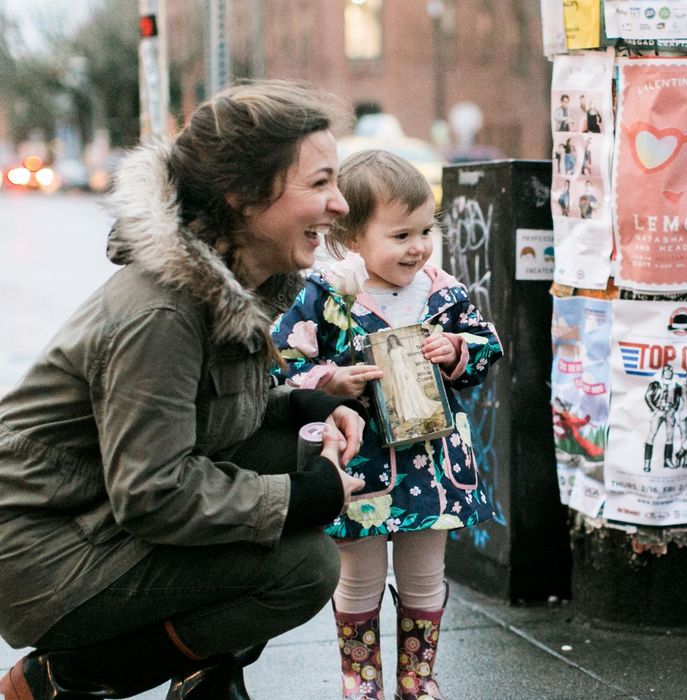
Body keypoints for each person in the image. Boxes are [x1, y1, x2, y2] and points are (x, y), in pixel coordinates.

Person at [0, 81, 369, 699]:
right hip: (40, 557)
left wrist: (305, 405)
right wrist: (301, 498)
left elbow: (204, 416)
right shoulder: (164, 313)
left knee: (292, 451)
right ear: (242, 196)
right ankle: (63, 680)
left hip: (94, 520)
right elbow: (153, 492)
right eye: (320, 183)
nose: (340, 203)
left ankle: (206, 680)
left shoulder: (232, 282)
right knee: (304, 568)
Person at [270, 149, 503, 700]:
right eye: (400, 235)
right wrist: (330, 381)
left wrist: (458, 349)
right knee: (359, 576)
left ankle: (417, 680)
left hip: (433, 465)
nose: (417, 247)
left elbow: (486, 344)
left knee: (425, 573)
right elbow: (284, 361)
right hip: (361, 463)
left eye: (425, 231)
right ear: (351, 237)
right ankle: (362, 682)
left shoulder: (442, 291)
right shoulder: (325, 296)